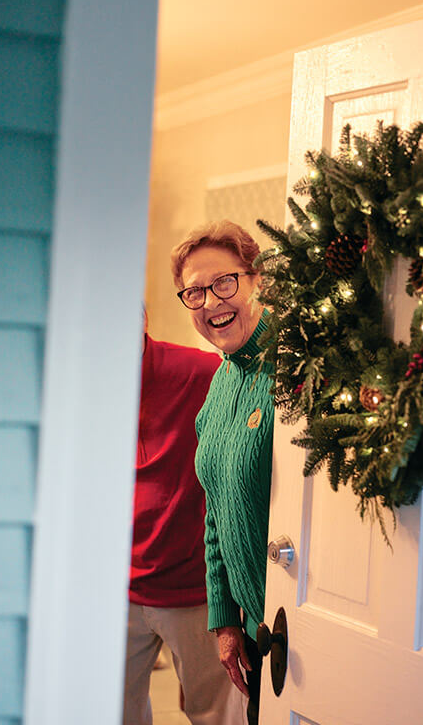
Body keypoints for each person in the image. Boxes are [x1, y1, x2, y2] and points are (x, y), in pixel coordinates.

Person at [170, 221, 273, 725]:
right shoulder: (219, 384)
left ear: (255, 280)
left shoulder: (293, 368)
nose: (211, 302)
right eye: (194, 292)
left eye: (224, 283)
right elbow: (215, 511)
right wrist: (225, 622)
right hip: (254, 627)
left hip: (296, 616)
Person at [123, 313, 243, 725]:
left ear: (140, 320)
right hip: (117, 588)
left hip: (197, 589)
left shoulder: (203, 371)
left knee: (217, 715)